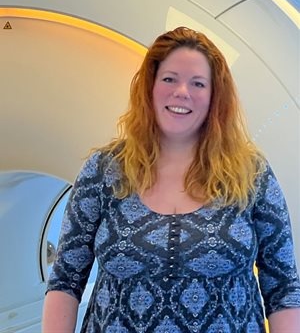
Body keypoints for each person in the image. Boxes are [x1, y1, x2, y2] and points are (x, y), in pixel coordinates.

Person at [42, 27, 300, 333]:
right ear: (150, 86)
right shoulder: (104, 171)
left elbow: (283, 290)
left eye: (198, 83)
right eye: (169, 79)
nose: (182, 92)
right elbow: (66, 280)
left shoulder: (251, 173)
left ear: (215, 96)